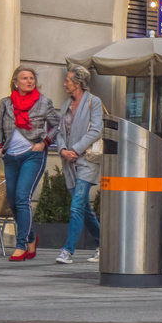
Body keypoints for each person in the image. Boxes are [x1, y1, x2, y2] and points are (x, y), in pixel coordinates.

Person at [0, 64, 57, 262]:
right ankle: (31, 238)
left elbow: (59, 125)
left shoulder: (44, 102)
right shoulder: (6, 103)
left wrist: (44, 143)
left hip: (32, 155)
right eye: (25, 78)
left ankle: (20, 245)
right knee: (13, 202)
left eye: (32, 78)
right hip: (10, 156)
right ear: (15, 83)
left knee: (22, 198)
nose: (29, 81)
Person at [54, 64, 104, 265]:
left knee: (76, 206)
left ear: (78, 82)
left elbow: (96, 131)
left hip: (86, 160)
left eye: (67, 80)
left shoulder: (94, 102)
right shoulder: (66, 104)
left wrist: (75, 149)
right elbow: (59, 132)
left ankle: (68, 250)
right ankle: (104, 243)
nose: (65, 83)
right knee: (83, 207)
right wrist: (62, 150)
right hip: (69, 162)